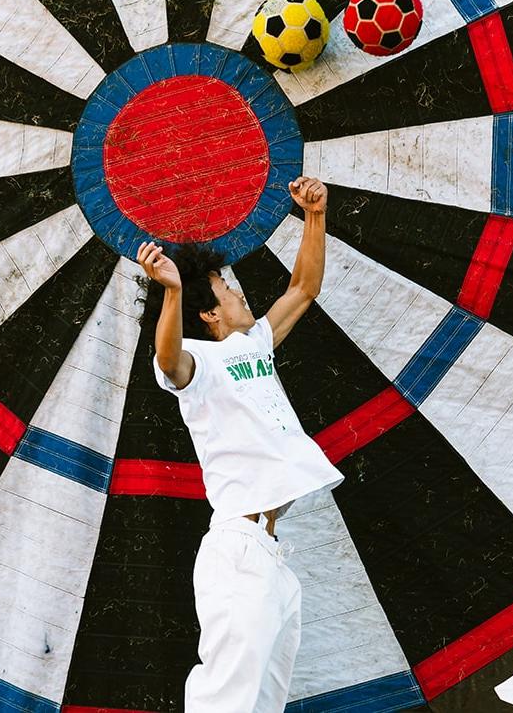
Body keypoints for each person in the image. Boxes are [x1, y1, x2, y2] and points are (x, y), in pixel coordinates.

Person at [136, 176, 344, 713]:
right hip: (237, 550)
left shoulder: (255, 344)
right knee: (225, 703)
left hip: (272, 555)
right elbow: (167, 361)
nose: (238, 289)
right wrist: (174, 291)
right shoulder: (198, 364)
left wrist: (315, 216)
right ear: (209, 313)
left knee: (263, 702)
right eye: (226, 286)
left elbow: (303, 289)